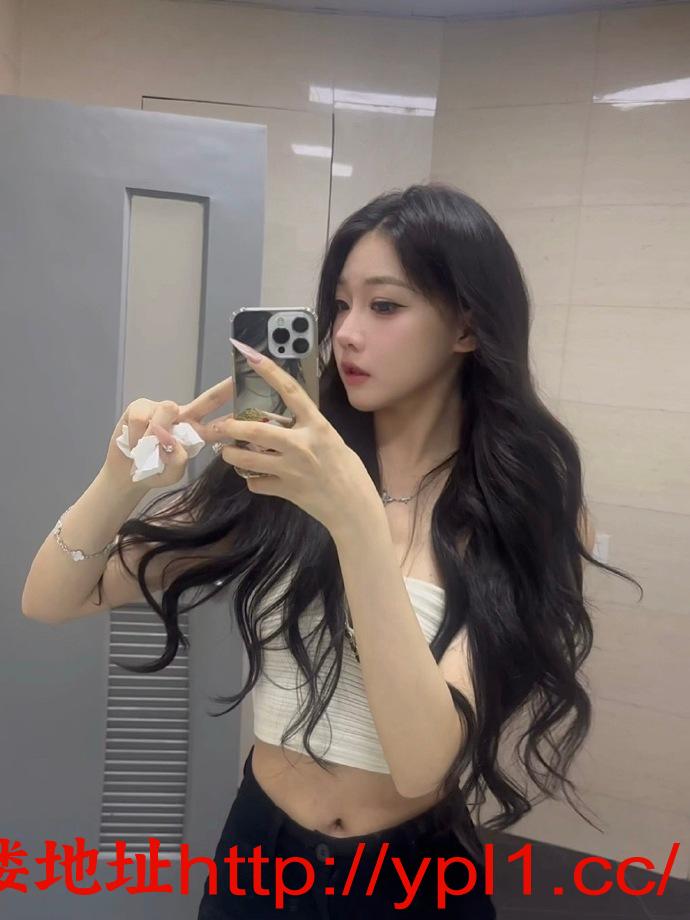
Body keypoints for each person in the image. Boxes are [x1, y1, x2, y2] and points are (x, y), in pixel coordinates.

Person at [24, 182, 642, 918]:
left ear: (467, 326)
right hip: (261, 854)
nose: (346, 332)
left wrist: (355, 520)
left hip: (413, 874)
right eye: (340, 305)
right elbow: (52, 600)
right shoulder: (277, 470)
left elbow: (420, 765)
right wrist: (119, 481)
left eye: (384, 306)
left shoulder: (517, 509)